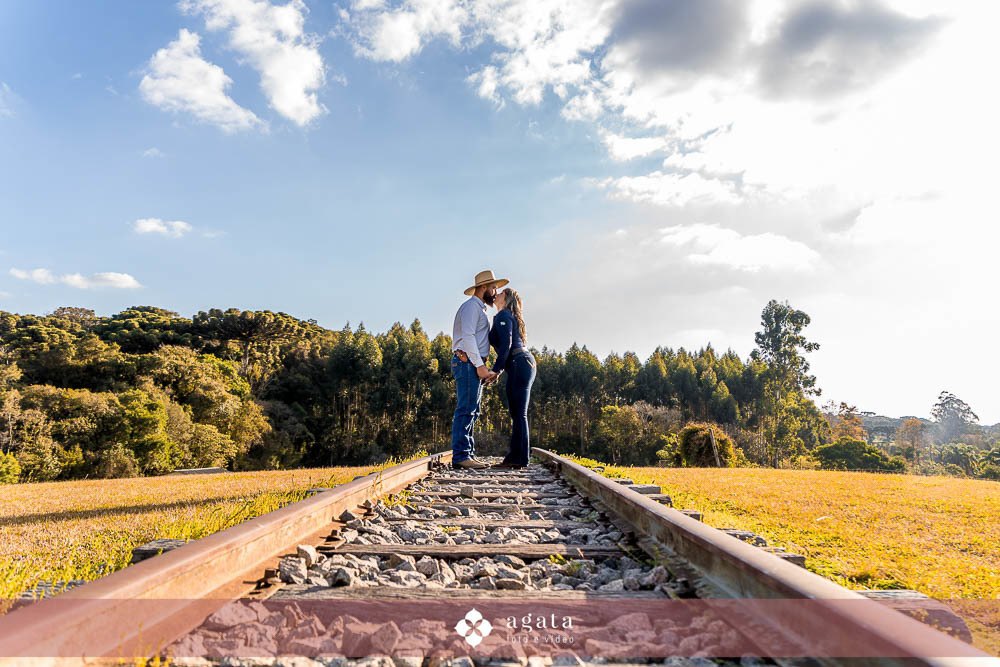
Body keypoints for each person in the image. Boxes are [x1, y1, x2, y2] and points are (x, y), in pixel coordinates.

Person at [450, 270, 508, 469]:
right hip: (467, 363)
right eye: (493, 288)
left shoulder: (479, 309)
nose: (495, 291)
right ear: (483, 287)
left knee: (472, 410)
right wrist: (481, 367)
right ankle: (461, 456)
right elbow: (468, 337)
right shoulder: (471, 308)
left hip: (471, 363)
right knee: (466, 408)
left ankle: (468, 454)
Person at [489, 287, 536, 469]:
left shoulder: (505, 316)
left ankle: (519, 459)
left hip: (519, 363)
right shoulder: (503, 317)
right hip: (522, 363)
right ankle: (517, 457)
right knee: (517, 414)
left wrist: (496, 369)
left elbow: (506, 345)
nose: (496, 294)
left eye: (500, 293)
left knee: (519, 414)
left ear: (506, 299)